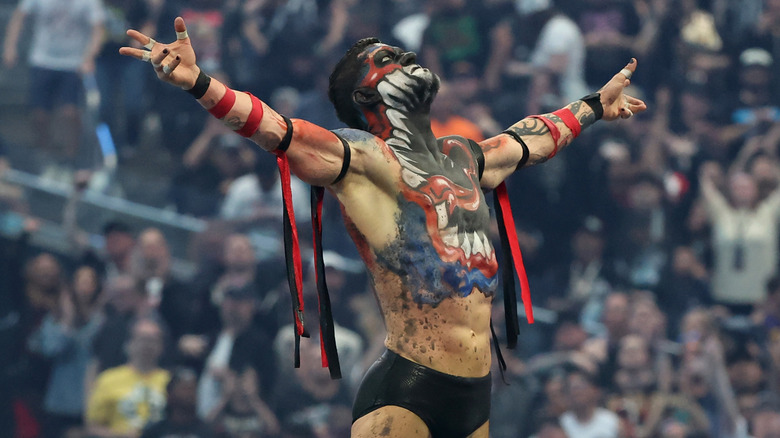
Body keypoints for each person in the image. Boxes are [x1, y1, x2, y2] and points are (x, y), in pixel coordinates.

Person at [120, 17, 646, 437]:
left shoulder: (463, 156)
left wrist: (596, 105)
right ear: (368, 99)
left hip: (474, 393)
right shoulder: (366, 159)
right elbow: (283, 133)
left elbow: (528, 140)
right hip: (407, 388)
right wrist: (198, 82)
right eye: (389, 60)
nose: (409, 59)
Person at [85, 318, 170, 437]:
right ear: (130, 343)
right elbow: (92, 427)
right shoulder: (108, 379)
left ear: (162, 346)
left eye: (153, 341)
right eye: (142, 340)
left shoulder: (170, 381)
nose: (147, 346)